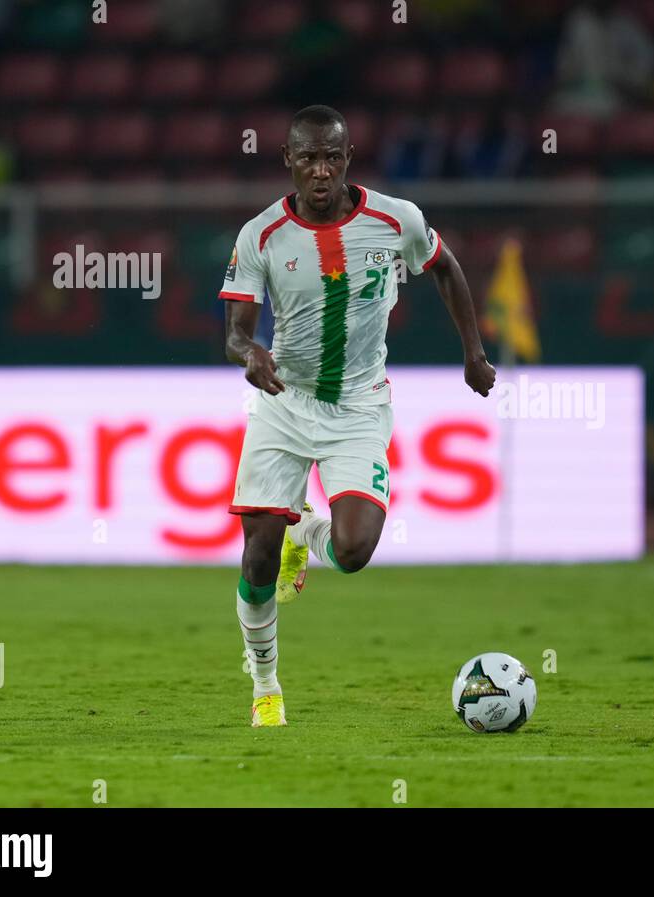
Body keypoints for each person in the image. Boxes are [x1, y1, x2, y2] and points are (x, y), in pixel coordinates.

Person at [221, 105, 496, 726]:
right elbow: (234, 335)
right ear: (288, 161)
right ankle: (265, 685)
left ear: (348, 159)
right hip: (284, 400)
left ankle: (308, 531)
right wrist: (250, 353)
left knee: (352, 552)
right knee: (258, 553)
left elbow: (446, 271)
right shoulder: (260, 235)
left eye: (332, 157)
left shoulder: (397, 220)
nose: (320, 170)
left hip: (359, 404)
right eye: (308, 158)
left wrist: (473, 354)